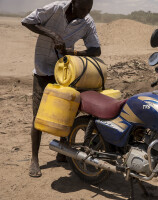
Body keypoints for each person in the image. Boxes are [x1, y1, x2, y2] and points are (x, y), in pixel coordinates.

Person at [21, 0, 101, 177]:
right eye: (82, 9)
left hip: (65, 72)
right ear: (73, 3)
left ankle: (62, 151)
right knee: (38, 115)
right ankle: (34, 159)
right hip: (42, 70)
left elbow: (96, 50)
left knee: (67, 113)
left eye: (89, 9)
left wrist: (72, 53)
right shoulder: (56, 8)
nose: (85, 13)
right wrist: (53, 35)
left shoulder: (87, 21)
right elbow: (27, 21)